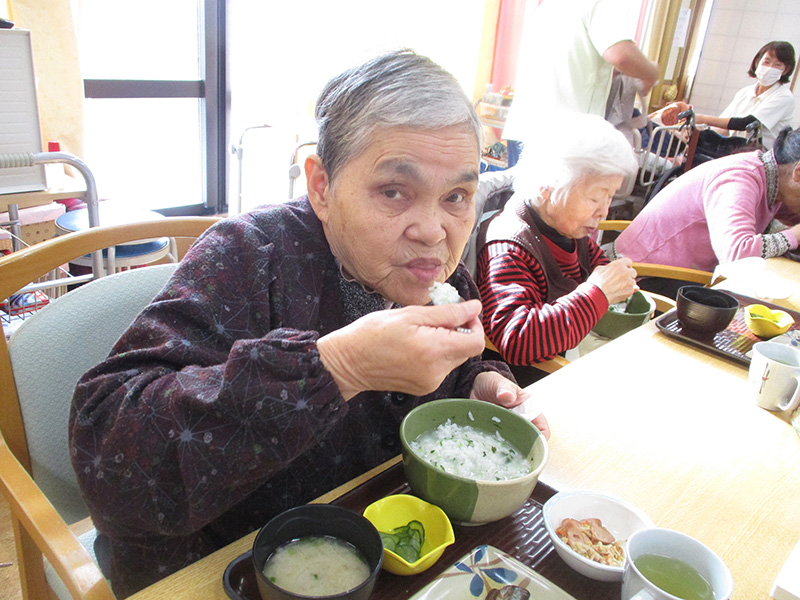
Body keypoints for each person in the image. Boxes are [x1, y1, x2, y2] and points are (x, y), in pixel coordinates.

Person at [68, 50, 549, 597]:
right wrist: (337, 368)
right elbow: (108, 450)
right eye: (394, 191)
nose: (434, 231)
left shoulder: (438, 274)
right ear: (321, 185)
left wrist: (480, 381)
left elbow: (448, 371)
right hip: (238, 559)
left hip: (384, 546)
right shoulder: (248, 257)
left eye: (456, 197)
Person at [476, 113, 639, 383]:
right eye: (595, 197)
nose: (604, 211)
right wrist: (597, 293)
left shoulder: (566, 228)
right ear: (547, 188)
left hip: (568, 357)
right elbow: (515, 338)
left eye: (610, 197)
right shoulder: (509, 245)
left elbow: (594, 265)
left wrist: (615, 278)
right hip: (528, 382)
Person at [608, 127, 800, 297]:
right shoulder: (740, 178)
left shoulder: (773, 182)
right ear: (798, 172)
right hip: (639, 274)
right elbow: (736, 256)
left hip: (675, 272)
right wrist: (795, 234)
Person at [503, 0, 659, 167]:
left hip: (525, 129)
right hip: (563, 139)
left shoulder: (549, 6)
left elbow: (570, 63)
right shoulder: (600, 4)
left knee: (525, 192)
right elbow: (622, 56)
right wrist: (652, 72)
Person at [659, 41, 796, 150]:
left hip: (759, 155)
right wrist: (698, 135)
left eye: (777, 65)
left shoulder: (784, 97)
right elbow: (724, 127)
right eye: (767, 61)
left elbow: (745, 123)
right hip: (734, 148)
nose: (770, 68)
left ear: (786, 70)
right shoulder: (745, 92)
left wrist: (702, 118)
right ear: (757, 62)